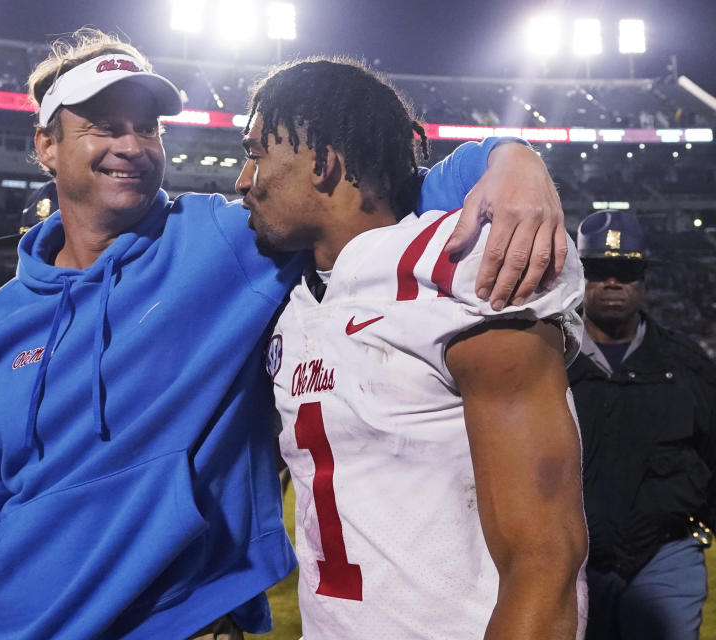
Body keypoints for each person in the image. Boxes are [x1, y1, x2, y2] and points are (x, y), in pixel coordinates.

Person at [0, 29, 574, 640]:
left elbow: (366, 180)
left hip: (181, 623)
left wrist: (508, 156)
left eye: (147, 127)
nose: (132, 146)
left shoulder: (223, 239)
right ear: (46, 144)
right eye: (104, 125)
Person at [239, 57, 588, 638]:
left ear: (324, 163)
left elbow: (545, 561)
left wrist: (512, 153)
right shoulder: (291, 299)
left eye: (256, 152)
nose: (242, 179)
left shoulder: (460, 264)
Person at [568, 210, 716, 640]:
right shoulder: (546, 361)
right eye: (598, 270)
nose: (612, 282)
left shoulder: (687, 364)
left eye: (626, 270)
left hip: (665, 552)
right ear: (580, 276)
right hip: (571, 556)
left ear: (644, 279)